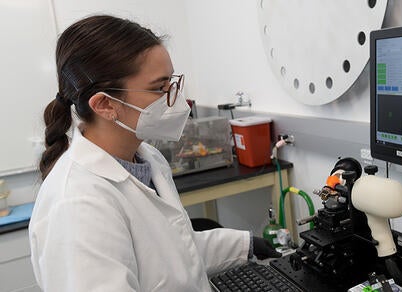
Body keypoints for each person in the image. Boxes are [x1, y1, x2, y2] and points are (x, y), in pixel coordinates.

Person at [29, 15, 280, 291]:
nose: (175, 100)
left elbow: (176, 250)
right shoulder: (78, 204)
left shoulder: (146, 158)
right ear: (105, 104)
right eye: (159, 88)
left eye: (171, 84)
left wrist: (245, 244)